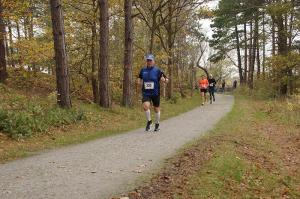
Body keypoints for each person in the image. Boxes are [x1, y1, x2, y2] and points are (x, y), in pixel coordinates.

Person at [137, 54, 168, 132]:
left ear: (153, 61)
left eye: (150, 60)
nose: (149, 62)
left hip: (155, 92)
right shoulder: (143, 70)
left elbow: (166, 79)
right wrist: (138, 81)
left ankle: (157, 124)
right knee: (145, 106)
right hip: (146, 92)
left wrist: (164, 80)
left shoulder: (158, 71)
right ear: (146, 61)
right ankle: (149, 121)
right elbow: (140, 77)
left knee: (156, 109)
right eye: (148, 60)